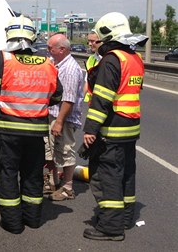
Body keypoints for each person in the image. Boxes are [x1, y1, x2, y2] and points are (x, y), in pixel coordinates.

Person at [0, 15, 62, 234]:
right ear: (32, 36)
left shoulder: (0, 59)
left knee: (7, 174)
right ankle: (33, 219)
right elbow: (56, 96)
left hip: (8, 130)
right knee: (33, 174)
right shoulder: (47, 63)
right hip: (36, 132)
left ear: (9, 35)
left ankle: (13, 224)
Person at [81, 12, 147, 241]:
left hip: (112, 130)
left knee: (106, 176)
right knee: (126, 175)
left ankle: (110, 227)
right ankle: (126, 218)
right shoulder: (134, 58)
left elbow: (102, 99)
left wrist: (90, 129)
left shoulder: (112, 59)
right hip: (130, 129)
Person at [43, 34, 85, 201]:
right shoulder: (56, 64)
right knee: (51, 151)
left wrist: (59, 122)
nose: (47, 50)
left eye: (50, 48)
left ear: (62, 49)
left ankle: (67, 188)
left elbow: (68, 99)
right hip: (53, 113)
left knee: (65, 151)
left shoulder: (70, 69)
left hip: (63, 118)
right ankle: (52, 181)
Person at [84, 31, 103, 102]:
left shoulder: (108, 58)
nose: (89, 44)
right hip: (92, 102)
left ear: (101, 41)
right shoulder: (91, 59)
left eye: (92, 41)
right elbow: (87, 82)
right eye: (88, 41)